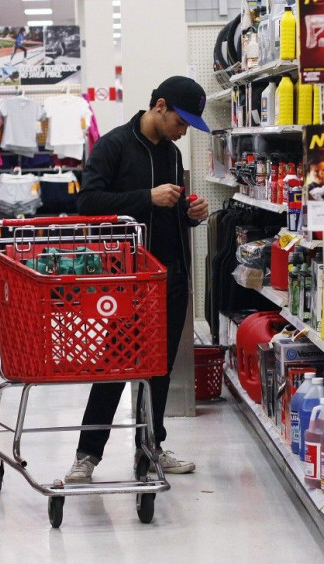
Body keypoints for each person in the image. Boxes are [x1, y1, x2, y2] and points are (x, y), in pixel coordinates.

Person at [65, 76, 210, 482]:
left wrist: (189, 215)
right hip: (124, 278)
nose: (183, 131)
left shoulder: (172, 155)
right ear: (160, 106)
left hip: (170, 275)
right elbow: (88, 205)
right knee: (113, 366)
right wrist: (146, 196)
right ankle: (88, 454)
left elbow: (170, 211)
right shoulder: (112, 146)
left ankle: (151, 448)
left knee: (159, 368)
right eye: (181, 122)